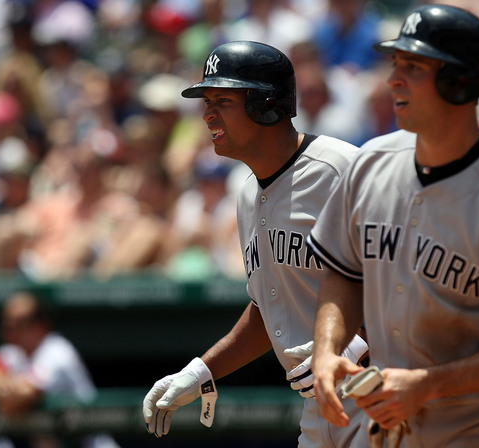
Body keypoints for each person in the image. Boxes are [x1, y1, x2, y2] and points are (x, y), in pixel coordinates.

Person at [306, 5, 479, 447]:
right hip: (392, 433)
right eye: (396, 63)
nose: (393, 79)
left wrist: (429, 384)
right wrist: (326, 350)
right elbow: (344, 273)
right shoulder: (369, 163)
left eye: (412, 67)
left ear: (459, 82)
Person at [141, 40, 369, 447]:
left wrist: (352, 344)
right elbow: (270, 306)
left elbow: (408, 278)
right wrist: (202, 371)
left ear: (266, 105)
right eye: (206, 102)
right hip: (320, 407)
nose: (207, 113)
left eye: (222, 101)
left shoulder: (342, 169)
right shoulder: (247, 194)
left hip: (386, 392)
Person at [0, 290, 120, 448]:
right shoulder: (12, 352)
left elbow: (17, 399)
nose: (10, 329)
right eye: (7, 323)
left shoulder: (57, 351)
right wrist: (2, 385)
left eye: (18, 323)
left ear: (40, 325)